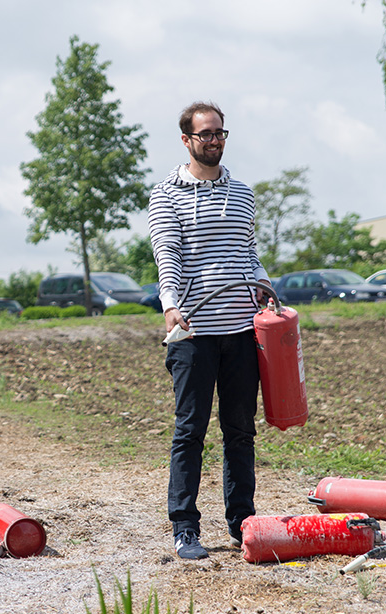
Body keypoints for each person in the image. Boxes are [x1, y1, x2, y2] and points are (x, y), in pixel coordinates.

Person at [147, 101, 271, 560]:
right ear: (187, 140)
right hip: (194, 334)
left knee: (240, 431)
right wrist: (171, 307)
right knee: (190, 431)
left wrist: (261, 281)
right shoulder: (166, 194)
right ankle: (184, 528)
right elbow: (168, 257)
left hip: (242, 331)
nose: (214, 140)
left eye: (220, 132)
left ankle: (242, 523)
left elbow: (248, 250)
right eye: (205, 134)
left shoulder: (242, 193)